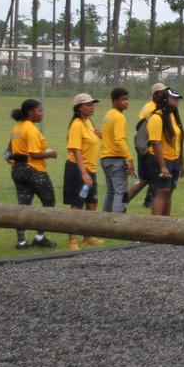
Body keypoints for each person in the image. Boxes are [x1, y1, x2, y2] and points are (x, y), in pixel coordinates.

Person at [9, 99, 58, 249]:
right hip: (34, 170)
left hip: (18, 170)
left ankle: (21, 241)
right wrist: (51, 154)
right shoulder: (30, 129)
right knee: (49, 202)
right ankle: (39, 237)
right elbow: (34, 154)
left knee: (23, 206)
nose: (42, 114)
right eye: (39, 110)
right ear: (30, 112)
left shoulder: (17, 127)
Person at [64, 93, 104, 251]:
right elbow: (75, 150)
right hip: (78, 169)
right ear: (79, 108)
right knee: (77, 204)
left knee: (92, 202)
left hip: (90, 168)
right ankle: (72, 240)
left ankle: (88, 236)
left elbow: (90, 142)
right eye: (88, 104)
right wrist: (83, 173)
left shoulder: (88, 122)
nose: (92, 106)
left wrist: (99, 136)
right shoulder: (76, 125)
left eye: (92, 104)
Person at [145, 88, 184, 216]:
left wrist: (182, 163)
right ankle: (156, 225)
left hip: (174, 160)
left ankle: (166, 224)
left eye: (177, 98)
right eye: (173, 98)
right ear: (165, 100)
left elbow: (179, 141)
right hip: (161, 160)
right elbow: (155, 143)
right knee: (162, 191)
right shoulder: (157, 117)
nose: (176, 100)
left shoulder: (173, 116)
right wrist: (162, 166)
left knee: (169, 191)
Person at [127, 82, 166, 209]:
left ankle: (124, 201)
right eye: (162, 93)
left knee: (146, 179)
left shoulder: (149, 106)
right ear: (156, 95)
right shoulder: (154, 109)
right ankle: (151, 202)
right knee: (153, 177)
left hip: (143, 146)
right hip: (149, 147)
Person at [101, 87, 135, 215]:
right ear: (115, 101)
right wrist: (130, 159)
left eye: (127, 99)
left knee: (111, 191)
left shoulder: (108, 115)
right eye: (123, 100)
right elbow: (119, 140)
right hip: (115, 159)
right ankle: (117, 218)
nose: (126, 102)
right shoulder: (119, 117)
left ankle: (105, 217)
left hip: (105, 158)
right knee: (121, 191)